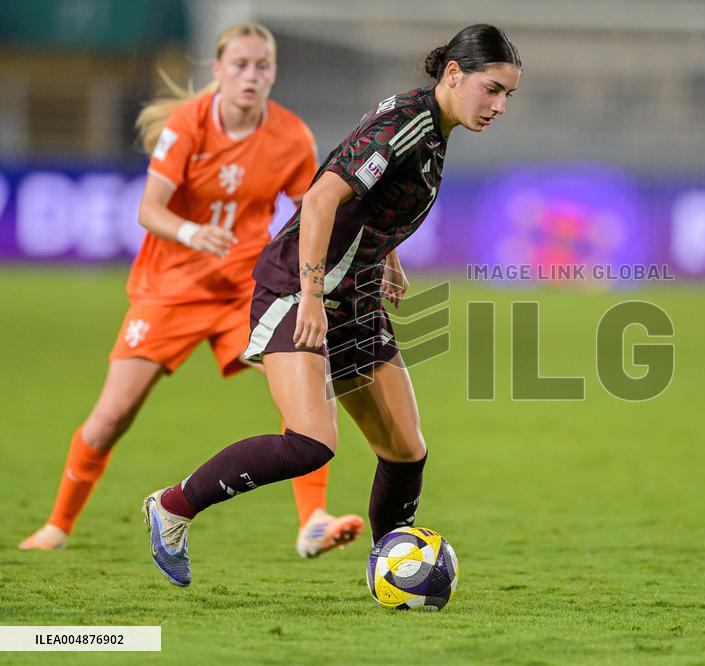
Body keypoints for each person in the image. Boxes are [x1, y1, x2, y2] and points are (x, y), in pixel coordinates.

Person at [140, 24, 522, 588]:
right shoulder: (409, 126)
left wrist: (386, 255)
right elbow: (321, 196)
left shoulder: (432, 128)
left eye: (508, 95)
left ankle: (392, 573)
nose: (499, 105)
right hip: (298, 289)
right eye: (492, 89)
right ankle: (173, 507)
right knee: (311, 444)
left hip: (357, 295)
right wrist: (313, 295)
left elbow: (369, 200)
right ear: (453, 74)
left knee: (405, 450)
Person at [19, 21, 364, 559]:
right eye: (241, 65)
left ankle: (312, 519)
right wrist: (191, 231)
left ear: (274, 73)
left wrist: (372, 256)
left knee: (302, 373)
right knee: (113, 415)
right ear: (218, 69)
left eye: (262, 66)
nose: (251, 76)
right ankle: (58, 524)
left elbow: (316, 210)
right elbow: (149, 209)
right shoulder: (188, 124)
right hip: (170, 290)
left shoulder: (292, 136)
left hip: (241, 291)